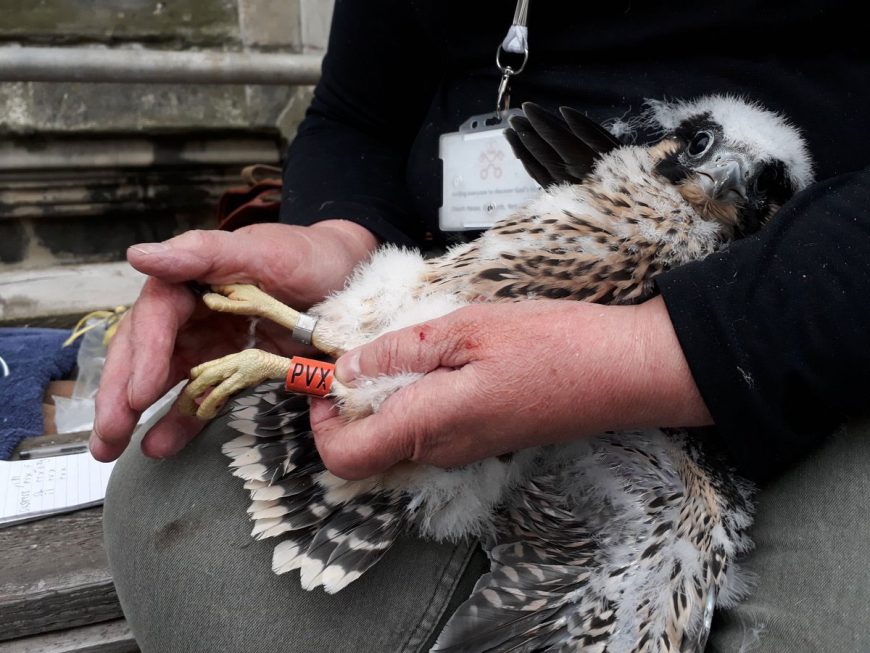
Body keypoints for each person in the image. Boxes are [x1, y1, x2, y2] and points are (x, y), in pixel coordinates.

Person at [93, 1, 870, 651]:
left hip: (812, 338)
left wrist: (664, 354)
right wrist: (339, 239)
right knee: (187, 544)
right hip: (443, 286)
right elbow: (356, 114)